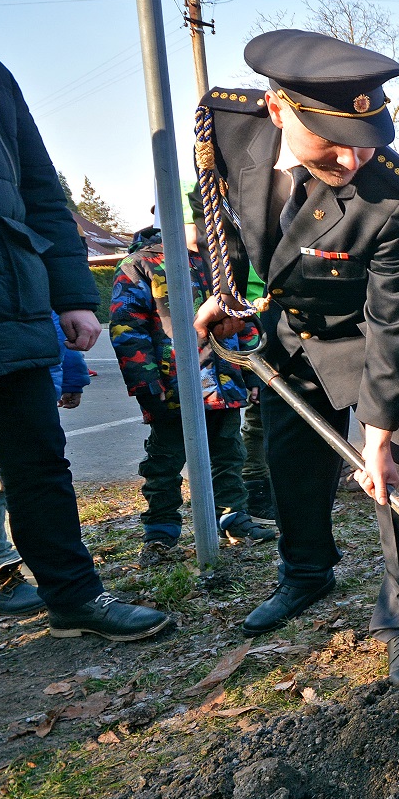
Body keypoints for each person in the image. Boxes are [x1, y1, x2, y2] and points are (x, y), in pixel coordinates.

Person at [192, 30, 399, 688]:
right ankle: (305, 572)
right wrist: (223, 292)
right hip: (288, 330)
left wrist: (381, 430)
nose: (354, 156)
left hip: (366, 333)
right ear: (279, 111)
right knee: (289, 459)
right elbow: (212, 204)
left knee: (396, 471)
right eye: (331, 138)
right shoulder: (227, 122)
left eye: (365, 136)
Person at [0, 16, 174, 708]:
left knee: (39, 464)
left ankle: (74, 595)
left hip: (6, 300)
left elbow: (45, 195)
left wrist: (74, 294)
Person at [110, 224, 274, 564]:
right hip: (174, 386)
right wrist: (146, 385)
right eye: (193, 217)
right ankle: (160, 532)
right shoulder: (142, 264)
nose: (202, 226)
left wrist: (251, 373)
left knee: (229, 454)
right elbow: (128, 327)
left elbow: (243, 317)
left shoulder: (220, 265)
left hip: (223, 382)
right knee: (164, 461)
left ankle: (234, 520)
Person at [0, 314, 88, 619]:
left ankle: (21, 559)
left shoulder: (30, 268)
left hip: (30, 381)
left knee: (28, 478)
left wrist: (72, 375)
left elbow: (54, 318)